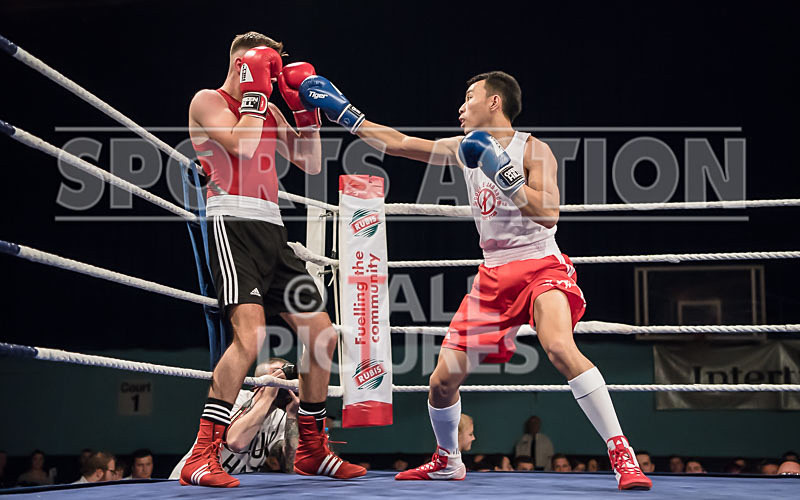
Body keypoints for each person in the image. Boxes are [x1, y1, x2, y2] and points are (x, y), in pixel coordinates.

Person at [298, 70, 652, 490]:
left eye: (469, 98)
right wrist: (344, 113)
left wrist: (505, 175)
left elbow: (548, 214)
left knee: (559, 346)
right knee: (441, 381)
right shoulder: (462, 147)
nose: (460, 107)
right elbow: (400, 143)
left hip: (541, 264)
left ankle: (622, 453)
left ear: (494, 102)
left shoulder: (533, 149)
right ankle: (448, 459)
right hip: (494, 273)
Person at [180, 31, 365, 487]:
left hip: (273, 228)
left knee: (321, 334)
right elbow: (241, 145)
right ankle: (201, 456)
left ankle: (312, 450)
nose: (276, 77)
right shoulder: (208, 101)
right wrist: (256, 94)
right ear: (243, 64)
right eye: (269, 67)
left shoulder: (268, 108)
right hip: (232, 223)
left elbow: (311, 162)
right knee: (250, 339)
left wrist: (305, 113)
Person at [171, 358, 300, 479]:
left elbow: (291, 467)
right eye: (277, 375)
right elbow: (236, 442)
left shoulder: (281, 417)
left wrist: (292, 415)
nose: (284, 382)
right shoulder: (234, 399)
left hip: (231, 487)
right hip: (188, 481)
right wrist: (267, 397)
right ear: (258, 383)